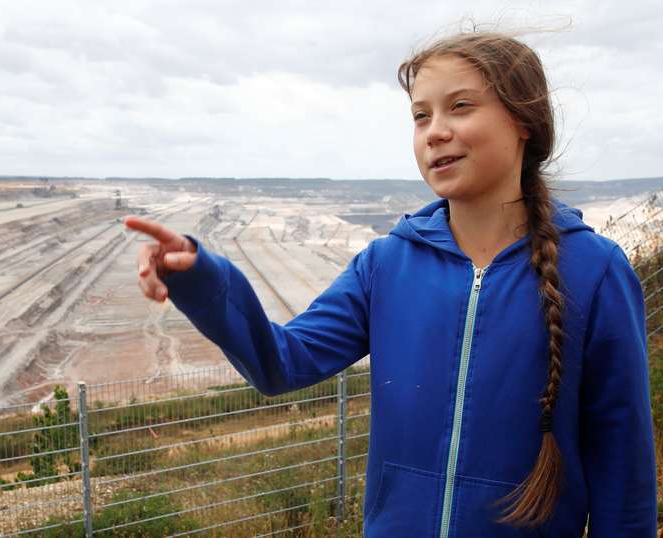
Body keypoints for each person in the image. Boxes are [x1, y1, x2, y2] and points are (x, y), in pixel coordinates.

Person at [125, 31, 657, 537]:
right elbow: (281, 363)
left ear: (523, 120)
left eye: (460, 106)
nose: (435, 131)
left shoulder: (596, 271)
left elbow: (624, 466)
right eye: (421, 116)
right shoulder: (385, 264)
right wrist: (201, 279)